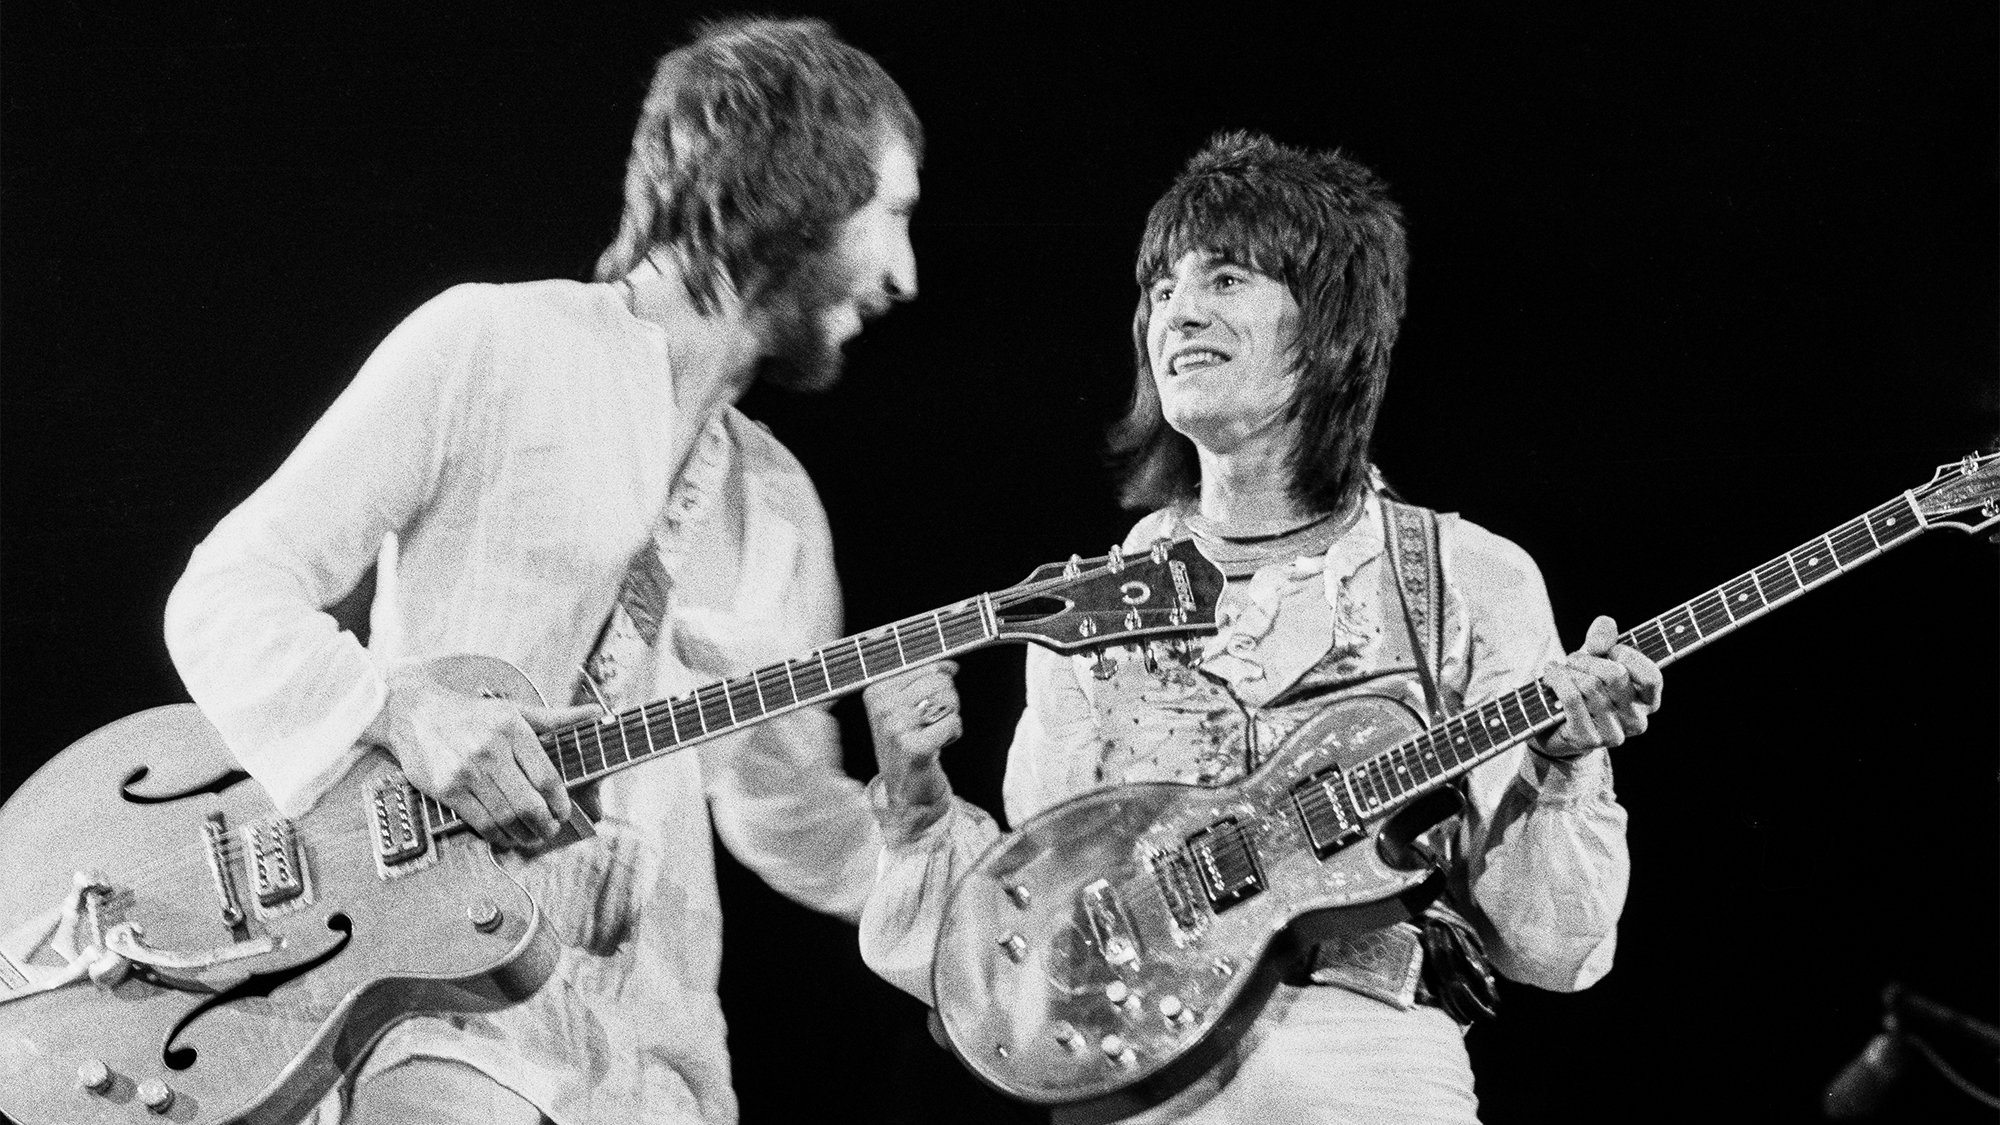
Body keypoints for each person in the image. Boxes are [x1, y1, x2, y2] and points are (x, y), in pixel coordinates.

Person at [163, 17, 919, 1125]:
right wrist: (396, 707)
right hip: (442, 1019)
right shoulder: (494, 346)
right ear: (799, 180)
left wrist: (927, 835)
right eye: (892, 213)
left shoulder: (783, 510)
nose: (904, 274)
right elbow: (223, 594)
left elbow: (783, 813)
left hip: (652, 1061)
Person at [858, 131, 1663, 1124]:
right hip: (1136, 1096)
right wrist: (915, 805)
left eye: (1227, 277)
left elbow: (1549, 948)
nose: (1176, 310)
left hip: (1368, 1080)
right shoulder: (1093, 608)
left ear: (1327, 327)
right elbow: (1024, 957)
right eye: (1160, 287)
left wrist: (1563, 764)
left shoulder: (1468, 579)